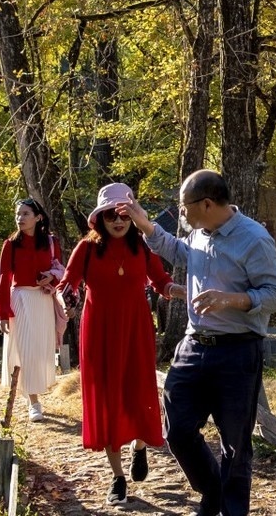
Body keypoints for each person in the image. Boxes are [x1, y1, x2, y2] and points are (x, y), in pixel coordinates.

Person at [117, 169, 276, 516]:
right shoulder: (199, 232)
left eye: (184, 206)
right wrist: (146, 226)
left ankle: (229, 509)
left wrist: (232, 299)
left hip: (238, 350)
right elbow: (180, 252)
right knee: (177, 431)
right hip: (193, 347)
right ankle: (213, 491)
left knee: (235, 445)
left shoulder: (254, 239)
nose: (181, 212)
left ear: (207, 204)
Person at [61, 183, 181, 506]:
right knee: (108, 400)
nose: (118, 221)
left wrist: (178, 290)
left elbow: (160, 281)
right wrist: (67, 302)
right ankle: (117, 477)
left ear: (132, 217)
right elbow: (67, 283)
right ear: (100, 218)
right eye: (111, 215)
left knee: (137, 392)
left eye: (124, 215)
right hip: (99, 331)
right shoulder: (87, 248)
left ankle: (139, 446)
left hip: (136, 329)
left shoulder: (143, 247)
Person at [0, 197, 64, 423]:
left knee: (40, 350)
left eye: (25, 214)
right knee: (25, 349)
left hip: (43, 300)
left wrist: (50, 277)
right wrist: (3, 313)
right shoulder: (11, 244)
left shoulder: (51, 242)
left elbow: (59, 270)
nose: (20, 218)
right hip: (20, 298)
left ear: (38, 217)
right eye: (18, 214)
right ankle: (33, 401)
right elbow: (4, 278)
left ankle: (32, 392)